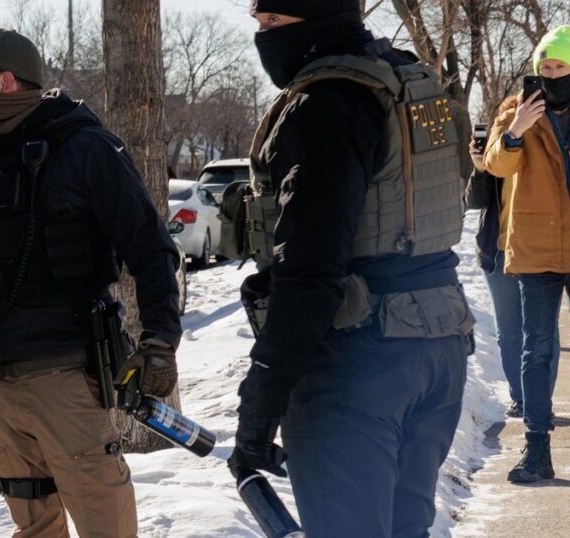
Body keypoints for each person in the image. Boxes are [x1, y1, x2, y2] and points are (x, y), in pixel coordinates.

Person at [226, 2, 473, 536]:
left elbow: (310, 268)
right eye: (260, 23)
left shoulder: (327, 100)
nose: (263, 36)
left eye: (273, 22)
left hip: (357, 363)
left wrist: (264, 394)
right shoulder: (407, 81)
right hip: (437, 342)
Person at [0, 27, 182, 537]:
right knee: (34, 525)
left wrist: (160, 342)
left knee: (106, 526)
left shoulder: (83, 148)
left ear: (4, 82)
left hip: (64, 381)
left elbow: (151, 249)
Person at [483, 24, 570, 483]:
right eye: (545, 67)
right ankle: (537, 449)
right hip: (536, 244)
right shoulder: (515, 111)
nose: (552, 74)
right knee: (536, 349)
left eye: (560, 66)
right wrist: (517, 130)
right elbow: (497, 165)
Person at [465, 124, 559, 419]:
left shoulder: (549, 143)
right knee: (508, 332)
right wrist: (480, 167)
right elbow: (475, 202)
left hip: (538, 250)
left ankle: (539, 400)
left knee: (542, 331)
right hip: (499, 250)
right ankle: (521, 398)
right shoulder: (501, 145)